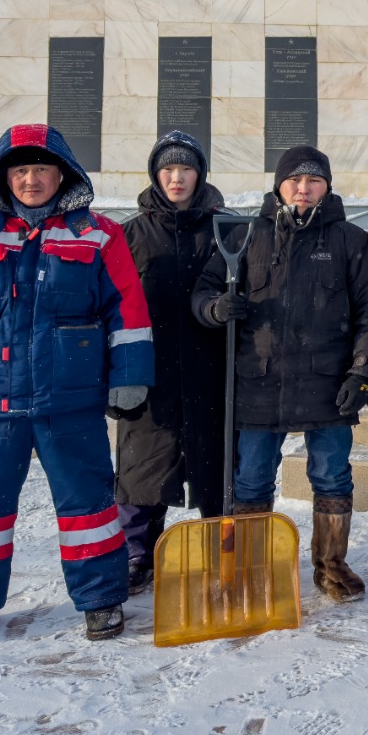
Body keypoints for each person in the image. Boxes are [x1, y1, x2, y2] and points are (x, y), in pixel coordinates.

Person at [0, 124, 154, 645]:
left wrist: (130, 376)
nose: (31, 179)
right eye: (20, 169)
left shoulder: (99, 235)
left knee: (88, 502)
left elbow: (126, 310)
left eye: (41, 168)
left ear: (62, 174)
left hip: (69, 398)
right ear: (2, 176)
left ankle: (100, 599)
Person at [192, 145, 368, 603]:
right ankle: (251, 568)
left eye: (314, 181)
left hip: (328, 384)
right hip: (259, 383)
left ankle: (331, 565)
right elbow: (203, 293)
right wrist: (214, 308)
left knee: (332, 477)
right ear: (279, 184)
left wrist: (362, 374)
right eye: (295, 180)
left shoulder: (349, 240)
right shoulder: (246, 235)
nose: (303, 189)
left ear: (326, 187)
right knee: (252, 481)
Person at [114, 130, 228, 596]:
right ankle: (138, 553)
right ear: (155, 176)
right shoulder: (130, 235)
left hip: (211, 369)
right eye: (168, 169)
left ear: (199, 174)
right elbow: (112, 305)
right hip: (151, 372)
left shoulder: (225, 229)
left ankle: (221, 548)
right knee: (143, 467)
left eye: (185, 169)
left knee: (215, 468)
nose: (176, 178)